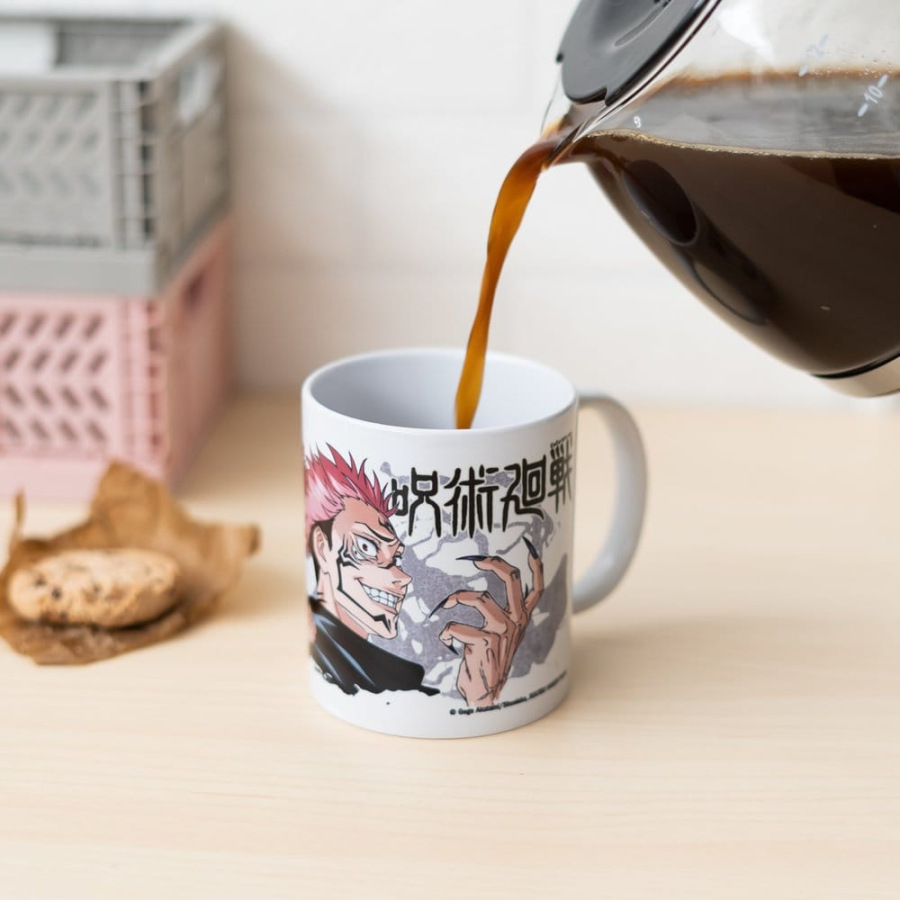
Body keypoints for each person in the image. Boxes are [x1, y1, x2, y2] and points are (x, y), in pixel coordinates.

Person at [305, 446, 542, 706]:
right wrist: (483, 701)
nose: (403, 577)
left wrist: (481, 693)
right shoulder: (374, 679)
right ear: (322, 547)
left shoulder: (387, 674)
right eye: (366, 547)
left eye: (396, 558)